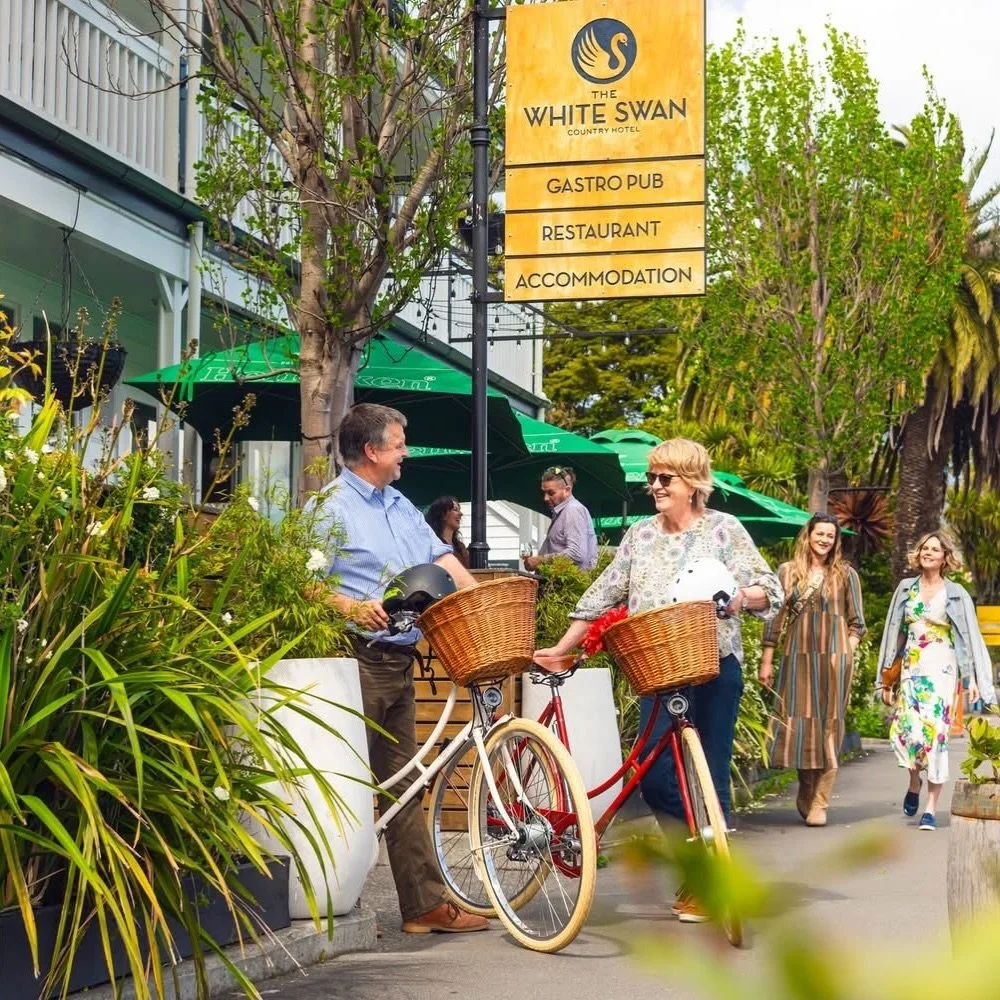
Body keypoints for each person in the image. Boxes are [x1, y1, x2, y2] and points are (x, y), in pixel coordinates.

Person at [534, 439, 782, 922]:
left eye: (664, 478)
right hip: (658, 668)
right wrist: (562, 647)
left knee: (710, 772)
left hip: (713, 663)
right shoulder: (640, 536)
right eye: (651, 478)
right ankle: (697, 862)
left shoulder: (724, 530)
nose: (654, 487)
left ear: (693, 482)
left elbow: (767, 589)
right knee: (655, 777)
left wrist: (737, 599)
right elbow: (603, 593)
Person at [307, 403, 487, 933]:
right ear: (372, 450)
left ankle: (424, 906)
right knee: (343, 780)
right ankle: (324, 897)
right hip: (355, 659)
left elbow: (443, 559)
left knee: (404, 782)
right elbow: (298, 580)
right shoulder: (329, 509)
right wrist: (349, 606)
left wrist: (478, 604)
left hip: (401, 660)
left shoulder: (400, 504)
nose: (406, 451)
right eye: (400, 442)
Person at [876, 531, 996, 831]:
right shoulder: (906, 589)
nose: (929, 553)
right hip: (912, 668)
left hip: (943, 667)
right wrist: (885, 674)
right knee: (910, 733)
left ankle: (930, 808)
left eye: (935, 549)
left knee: (937, 735)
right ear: (919, 554)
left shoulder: (956, 593)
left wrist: (974, 679)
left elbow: (970, 638)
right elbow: (895, 632)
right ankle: (914, 781)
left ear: (945, 558)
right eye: (925, 549)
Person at [759, 514, 866, 827]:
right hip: (797, 658)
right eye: (820, 534)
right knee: (802, 727)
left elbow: (857, 622)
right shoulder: (787, 573)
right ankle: (806, 787)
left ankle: (821, 801)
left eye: (830, 536)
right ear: (808, 535)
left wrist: (847, 650)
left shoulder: (846, 575)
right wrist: (767, 660)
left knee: (830, 726)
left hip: (835, 659)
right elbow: (774, 618)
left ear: (836, 541)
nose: (825, 540)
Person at [521, 465, 598, 572]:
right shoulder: (563, 511)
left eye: (551, 493)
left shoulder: (572, 510)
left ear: (567, 490)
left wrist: (540, 560)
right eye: (544, 492)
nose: (546, 498)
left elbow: (576, 554)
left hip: (570, 585)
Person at [425, 496, 470, 568]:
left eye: (459, 510)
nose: (461, 514)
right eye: (455, 510)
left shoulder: (461, 548)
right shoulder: (432, 545)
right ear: (443, 515)